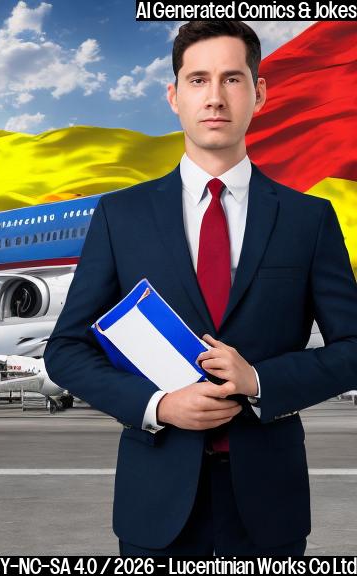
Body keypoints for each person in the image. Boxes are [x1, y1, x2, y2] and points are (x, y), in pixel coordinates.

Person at [43, 20, 357, 556]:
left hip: (268, 504)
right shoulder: (122, 216)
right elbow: (66, 351)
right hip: (155, 500)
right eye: (198, 80)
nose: (215, 97)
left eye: (232, 79)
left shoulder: (310, 219)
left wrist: (259, 380)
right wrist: (158, 405)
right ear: (173, 95)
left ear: (259, 93)